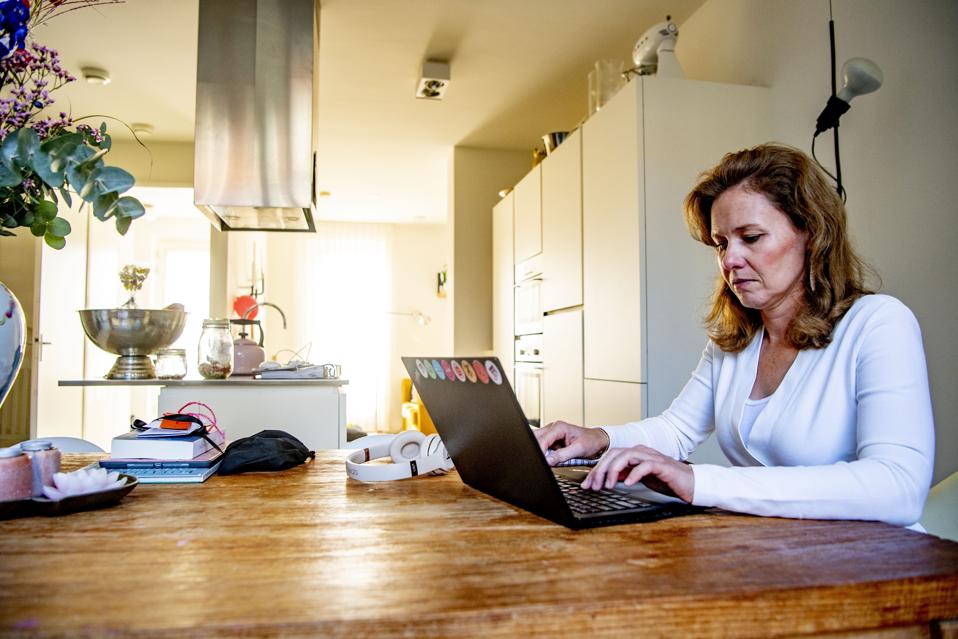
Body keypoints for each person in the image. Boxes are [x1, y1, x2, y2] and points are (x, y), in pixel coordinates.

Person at [534, 143, 935, 528]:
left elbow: (897, 486)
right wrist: (598, 439)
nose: (729, 260)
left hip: (876, 566)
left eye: (752, 238)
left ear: (811, 232)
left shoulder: (879, 324)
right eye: (721, 243)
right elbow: (676, 430)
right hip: (771, 551)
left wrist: (700, 483)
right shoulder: (737, 340)